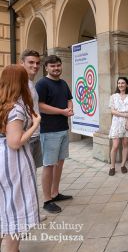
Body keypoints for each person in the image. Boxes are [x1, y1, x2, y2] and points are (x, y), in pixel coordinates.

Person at [0, 65, 41, 252]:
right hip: (13, 162)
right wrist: (35, 124)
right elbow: (15, 142)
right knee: (15, 210)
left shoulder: (3, 103)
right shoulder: (15, 108)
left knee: (7, 204)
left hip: (4, 159)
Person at [36, 55, 74, 214]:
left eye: (58, 65)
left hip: (63, 128)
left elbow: (69, 98)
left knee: (60, 163)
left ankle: (55, 193)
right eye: (53, 66)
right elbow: (40, 106)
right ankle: (47, 200)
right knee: (49, 165)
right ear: (46, 67)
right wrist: (62, 111)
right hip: (49, 130)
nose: (56, 68)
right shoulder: (42, 84)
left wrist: (70, 109)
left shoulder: (63, 83)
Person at [20, 49, 48, 221]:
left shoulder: (31, 83)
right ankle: (25, 216)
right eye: (31, 62)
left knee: (31, 175)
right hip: (26, 137)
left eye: (37, 63)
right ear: (22, 62)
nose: (35, 66)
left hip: (35, 135)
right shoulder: (19, 83)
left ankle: (32, 213)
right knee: (24, 177)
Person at [108, 77, 128, 176]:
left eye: (122, 83)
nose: (120, 85)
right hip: (116, 122)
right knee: (115, 145)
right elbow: (112, 111)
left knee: (125, 144)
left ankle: (123, 165)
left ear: (127, 85)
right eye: (119, 83)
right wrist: (125, 115)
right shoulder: (113, 96)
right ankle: (112, 166)